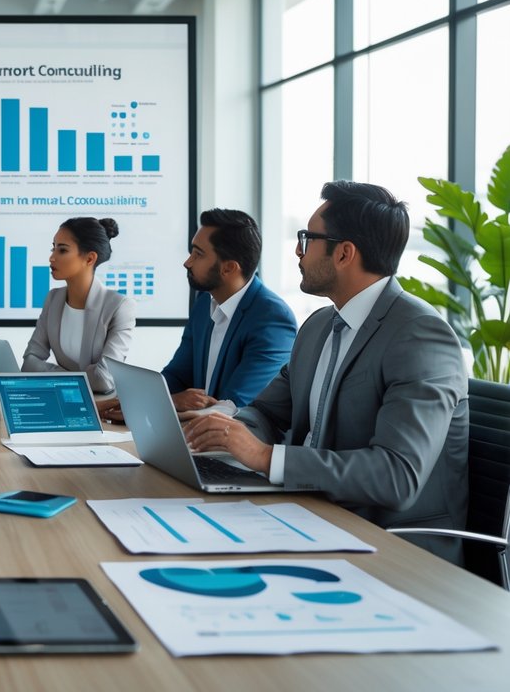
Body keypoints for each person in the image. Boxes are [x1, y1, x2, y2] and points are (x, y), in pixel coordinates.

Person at [183, 182, 469, 563]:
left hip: (393, 547)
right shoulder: (318, 326)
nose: (298, 250)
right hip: (312, 518)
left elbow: (396, 475)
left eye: (308, 238)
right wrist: (224, 434)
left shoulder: (420, 335)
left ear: (345, 253)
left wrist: (267, 457)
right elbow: (267, 411)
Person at [163, 209, 297, 410]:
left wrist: (170, 402)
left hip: (237, 436)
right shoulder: (203, 303)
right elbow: (176, 376)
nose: (187, 262)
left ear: (229, 268)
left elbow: (233, 407)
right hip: (195, 432)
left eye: (198, 254)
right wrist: (137, 401)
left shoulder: (272, 318)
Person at [21, 217, 136, 395]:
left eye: (62, 250)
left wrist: (52, 374)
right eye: (53, 248)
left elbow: (104, 380)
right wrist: (75, 378)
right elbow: (29, 363)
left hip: (100, 408)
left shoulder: (119, 306)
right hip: (62, 400)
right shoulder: (53, 300)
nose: (52, 257)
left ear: (90, 259)